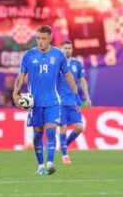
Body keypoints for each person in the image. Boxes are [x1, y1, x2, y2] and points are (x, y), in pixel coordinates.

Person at [12, 25, 81, 175]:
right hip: (35, 103)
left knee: (51, 131)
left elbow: (68, 75)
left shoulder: (58, 55)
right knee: (37, 134)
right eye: (38, 38)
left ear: (50, 39)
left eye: (43, 38)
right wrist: (15, 93)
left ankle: (50, 163)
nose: (40, 41)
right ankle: (40, 166)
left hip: (53, 102)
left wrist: (76, 95)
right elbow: (21, 76)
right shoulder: (29, 56)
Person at [57, 40, 91, 164]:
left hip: (73, 102)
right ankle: (65, 156)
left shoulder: (77, 63)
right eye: (65, 48)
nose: (68, 50)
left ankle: (63, 146)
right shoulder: (57, 64)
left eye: (70, 48)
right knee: (63, 127)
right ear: (61, 49)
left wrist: (87, 97)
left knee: (79, 127)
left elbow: (82, 80)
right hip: (60, 101)